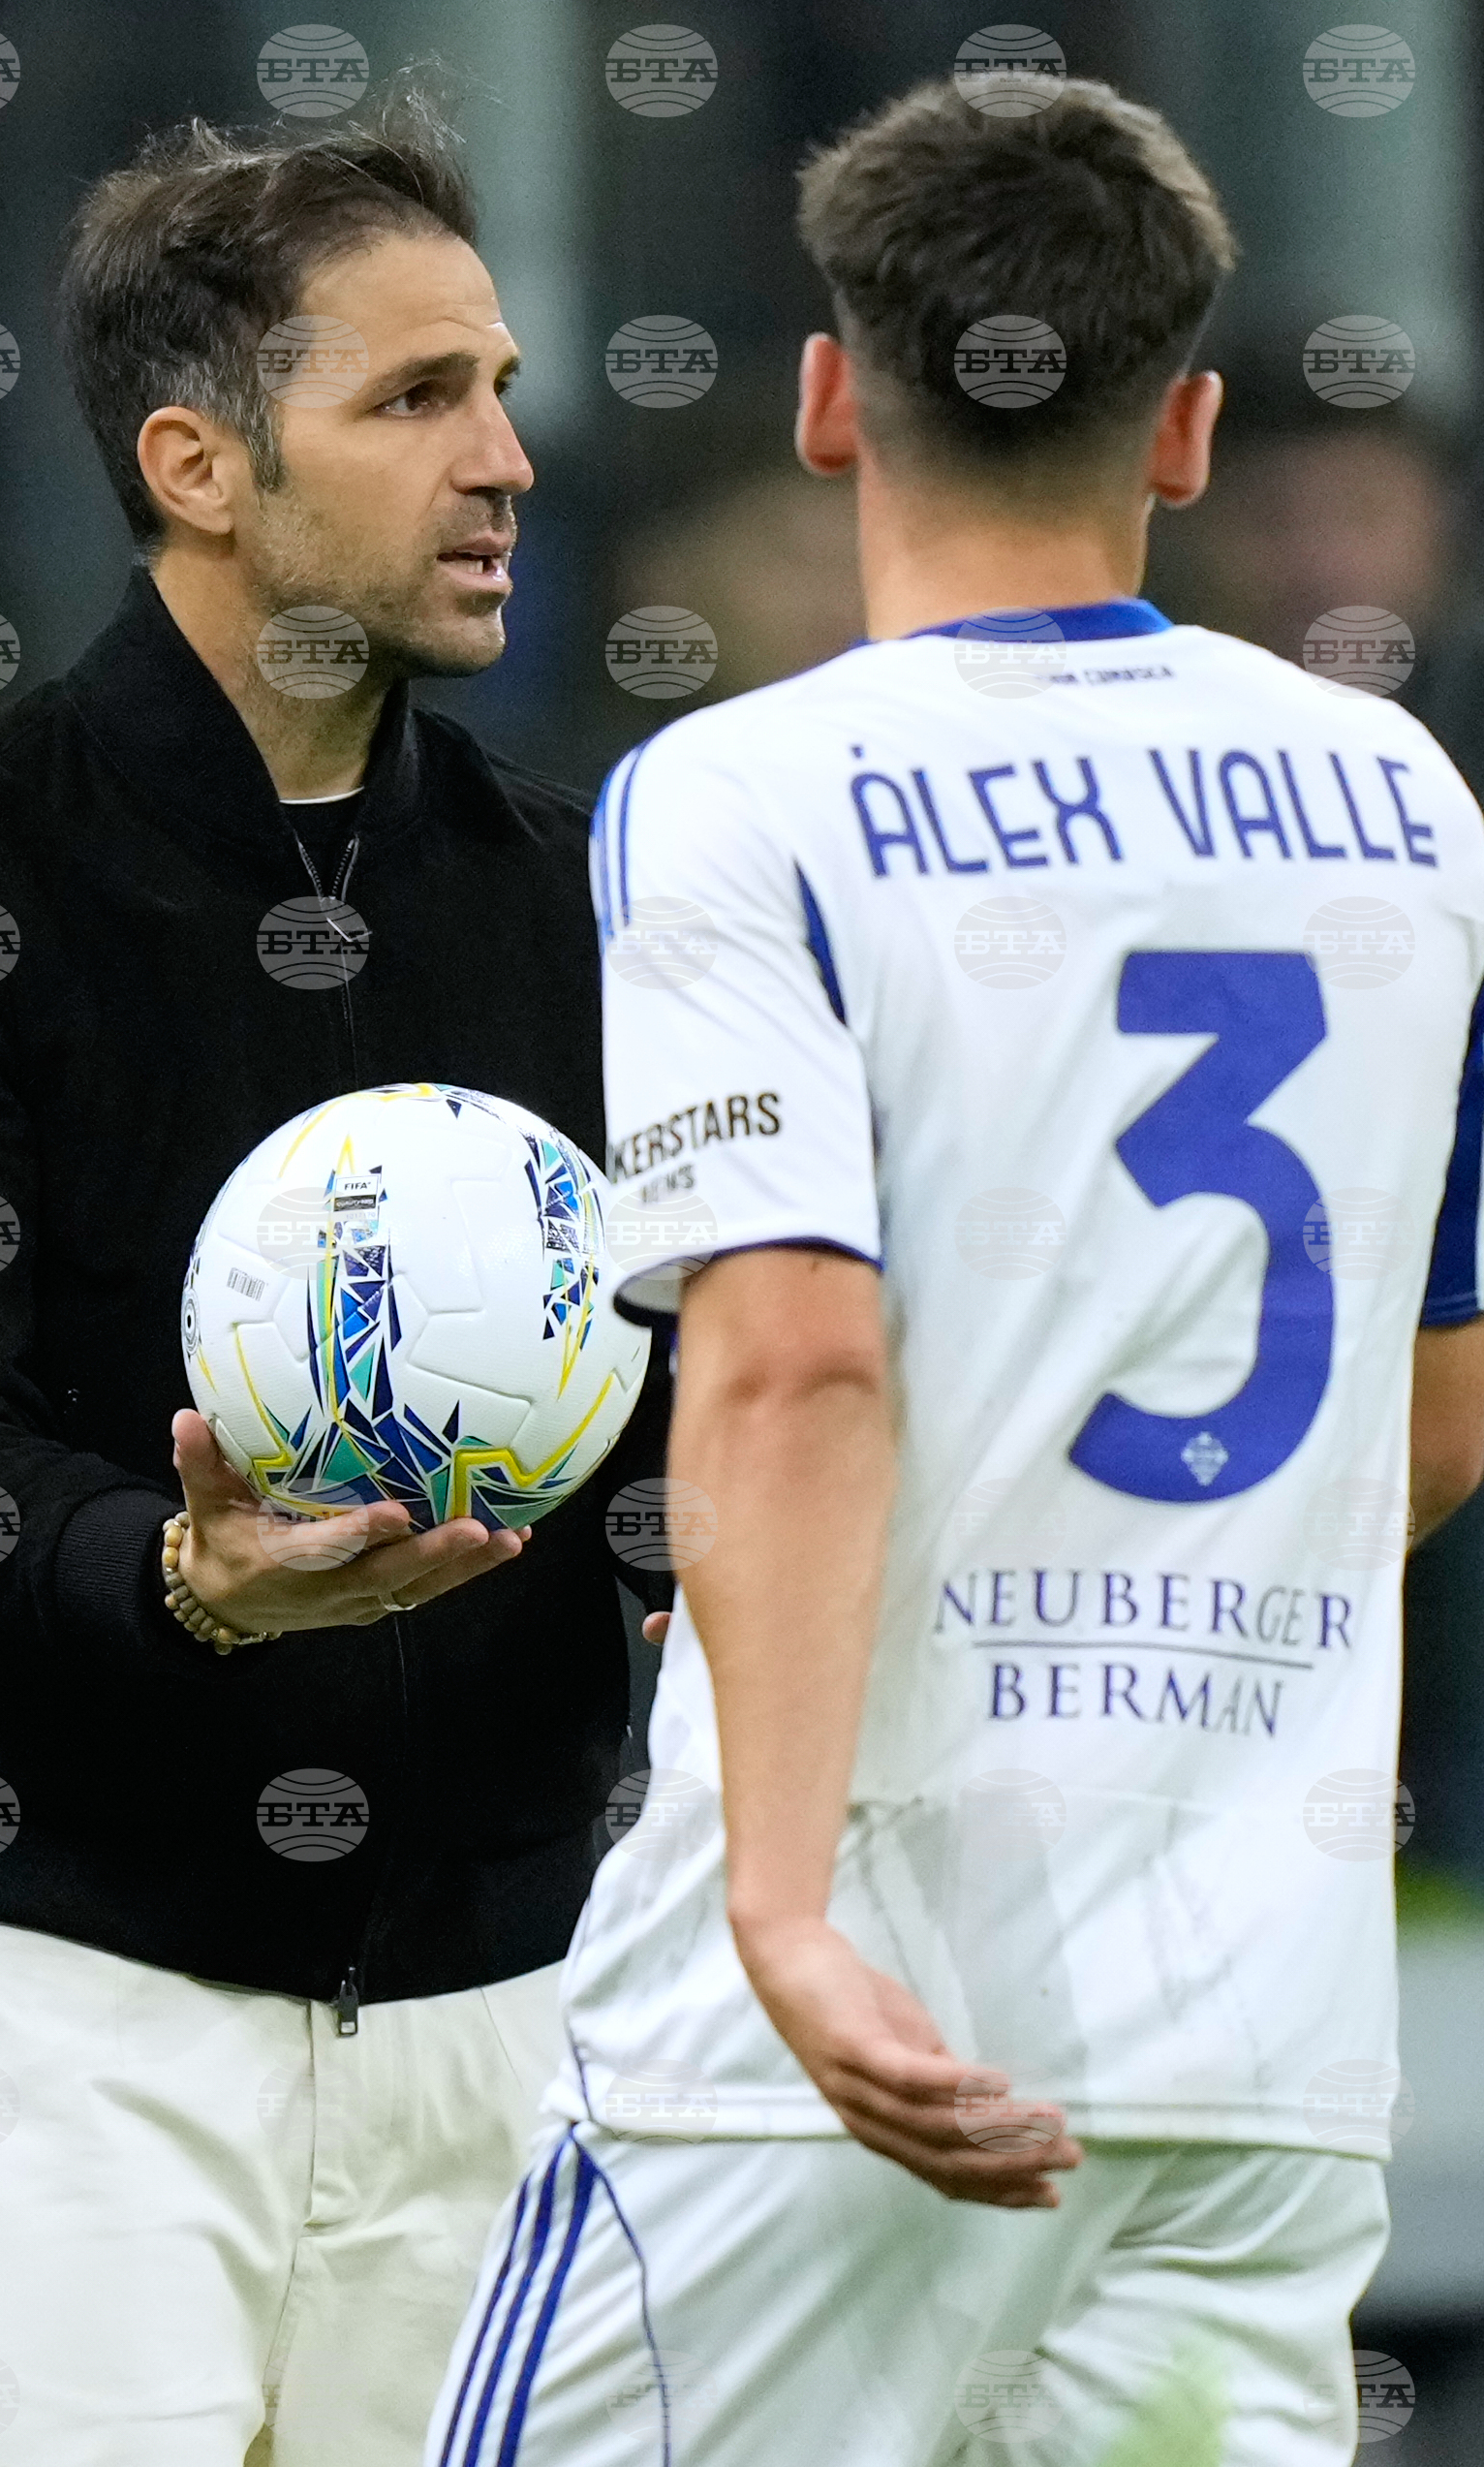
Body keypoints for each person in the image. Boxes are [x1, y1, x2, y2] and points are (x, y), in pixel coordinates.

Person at [427, 78, 1484, 2466]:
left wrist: (789, 1923)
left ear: (828, 399)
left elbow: (792, 1371)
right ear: (1190, 430)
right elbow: (1429, 1424)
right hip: (1254, 2060)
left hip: (811, 2063)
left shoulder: (743, 789)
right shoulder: (1411, 806)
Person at [0, 90, 668, 2467]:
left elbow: (689, 1402)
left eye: (498, 386)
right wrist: (191, 1578)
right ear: (199, 464)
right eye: (417, 399)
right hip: (66, 2010)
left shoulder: (589, 890)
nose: (506, 456)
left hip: (513, 2012)